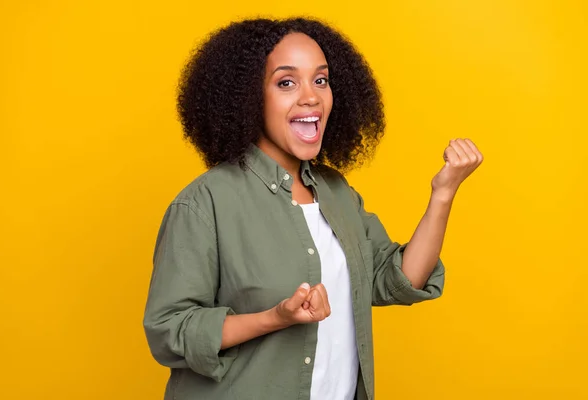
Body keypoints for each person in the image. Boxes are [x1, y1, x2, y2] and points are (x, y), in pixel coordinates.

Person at [143, 17, 483, 400]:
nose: (311, 97)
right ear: (248, 97)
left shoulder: (337, 193)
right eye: (286, 82)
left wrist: (443, 194)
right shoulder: (206, 203)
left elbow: (399, 279)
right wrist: (276, 317)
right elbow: (169, 331)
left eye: (320, 80)